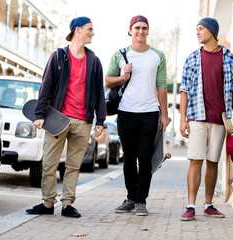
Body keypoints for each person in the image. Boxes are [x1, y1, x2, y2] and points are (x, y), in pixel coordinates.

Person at [26, 16, 106, 218]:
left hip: (83, 121)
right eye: (89, 29)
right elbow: (46, 86)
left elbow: (99, 93)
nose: (92, 33)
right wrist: (40, 114)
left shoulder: (94, 61)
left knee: (73, 166)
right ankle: (47, 203)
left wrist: (101, 121)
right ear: (78, 30)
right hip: (57, 120)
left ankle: (67, 204)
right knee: (50, 164)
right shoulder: (59, 56)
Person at [105, 15, 171, 216]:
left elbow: (161, 86)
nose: (140, 31)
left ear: (148, 31)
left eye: (144, 28)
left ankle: (141, 201)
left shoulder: (157, 56)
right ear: (130, 30)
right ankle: (130, 198)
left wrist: (164, 114)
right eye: (137, 28)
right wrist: (123, 76)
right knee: (128, 158)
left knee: (145, 158)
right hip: (126, 113)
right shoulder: (120, 54)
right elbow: (108, 81)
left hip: (149, 113)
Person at [179, 17, 233, 221]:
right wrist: (182, 119)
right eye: (196, 29)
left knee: (213, 161)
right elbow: (184, 91)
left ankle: (208, 204)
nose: (197, 32)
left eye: (201, 29)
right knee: (195, 160)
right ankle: (190, 205)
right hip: (196, 117)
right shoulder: (192, 58)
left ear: (212, 32)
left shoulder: (229, 58)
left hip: (220, 119)